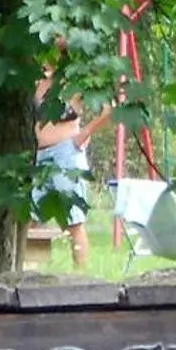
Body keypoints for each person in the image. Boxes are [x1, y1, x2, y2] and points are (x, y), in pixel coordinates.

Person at [34, 73, 111, 269]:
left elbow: (109, 110)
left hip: (66, 154)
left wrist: (85, 132)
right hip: (38, 155)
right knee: (28, 216)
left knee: (73, 221)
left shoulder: (77, 76)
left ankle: (80, 278)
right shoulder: (34, 76)